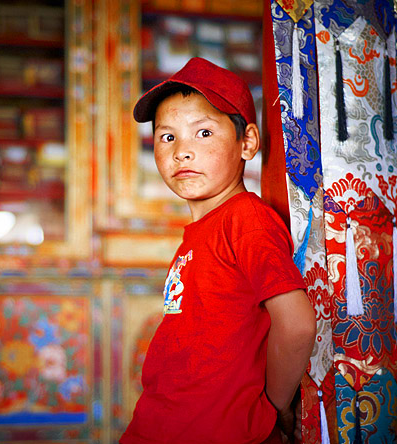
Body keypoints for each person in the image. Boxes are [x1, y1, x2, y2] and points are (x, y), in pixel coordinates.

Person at [120, 58, 317, 444]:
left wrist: (275, 407)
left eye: (204, 133)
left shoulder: (246, 219)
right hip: (160, 426)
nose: (182, 152)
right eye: (167, 137)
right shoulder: (200, 233)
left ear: (248, 143)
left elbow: (297, 325)